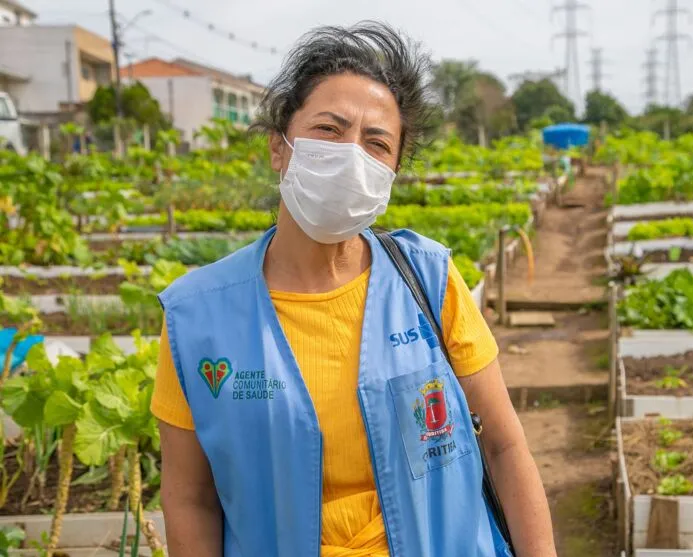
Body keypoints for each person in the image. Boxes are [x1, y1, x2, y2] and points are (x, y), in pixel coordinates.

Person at [151, 21, 557, 557]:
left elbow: (504, 448)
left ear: (392, 170)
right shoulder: (196, 318)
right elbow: (190, 499)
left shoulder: (428, 279)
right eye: (328, 129)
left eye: (377, 143)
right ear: (280, 148)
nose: (351, 156)